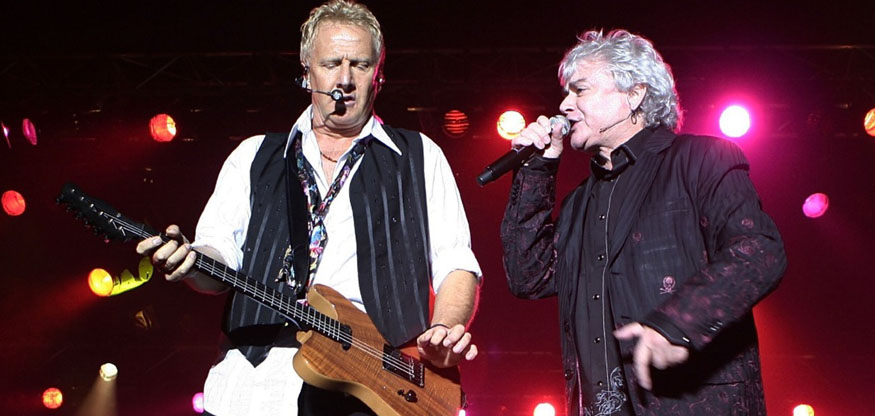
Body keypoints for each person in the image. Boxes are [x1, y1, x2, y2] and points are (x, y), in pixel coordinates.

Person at [136, 1, 482, 414]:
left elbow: (456, 263)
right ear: (306, 72)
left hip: (374, 392)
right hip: (252, 390)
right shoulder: (254, 156)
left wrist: (444, 329)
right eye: (331, 63)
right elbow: (219, 254)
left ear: (379, 74)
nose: (345, 79)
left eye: (360, 65)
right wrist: (190, 262)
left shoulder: (420, 156)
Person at [501, 29, 786, 415]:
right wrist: (537, 170)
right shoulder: (578, 204)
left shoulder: (700, 161)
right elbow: (528, 276)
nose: (565, 105)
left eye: (580, 90)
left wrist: (677, 323)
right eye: (566, 93)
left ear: (634, 94)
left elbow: (759, 251)